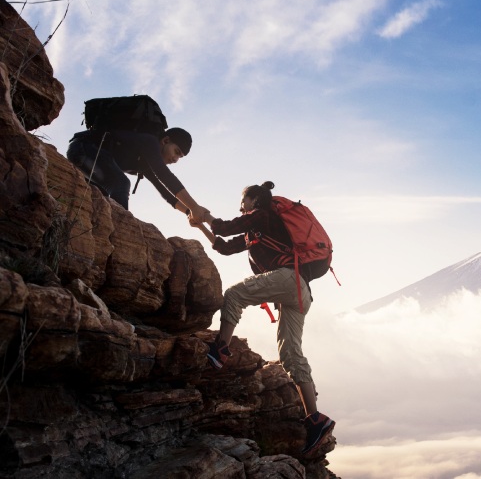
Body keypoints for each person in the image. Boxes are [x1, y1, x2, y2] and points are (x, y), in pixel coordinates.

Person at [192, 181, 335, 455]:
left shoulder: (264, 214)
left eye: (243, 201)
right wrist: (200, 226)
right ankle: (315, 419)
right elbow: (223, 246)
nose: (240, 207)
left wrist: (203, 214)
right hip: (299, 292)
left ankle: (220, 350)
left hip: (288, 280)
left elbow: (223, 226)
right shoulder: (255, 231)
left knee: (234, 295)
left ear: (255, 199)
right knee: (291, 355)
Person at [66, 126, 209, 220]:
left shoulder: (145, 162)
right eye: (176, 152)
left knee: (102, 195)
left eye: (180, 157)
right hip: (82, 149)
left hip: (90, 159)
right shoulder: (150, 142)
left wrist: (189, 212)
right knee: (121, 183)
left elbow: (166, 193)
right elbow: (165, 176)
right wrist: (194, 207)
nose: (176, 159)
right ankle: (120, 232)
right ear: (165, 141)